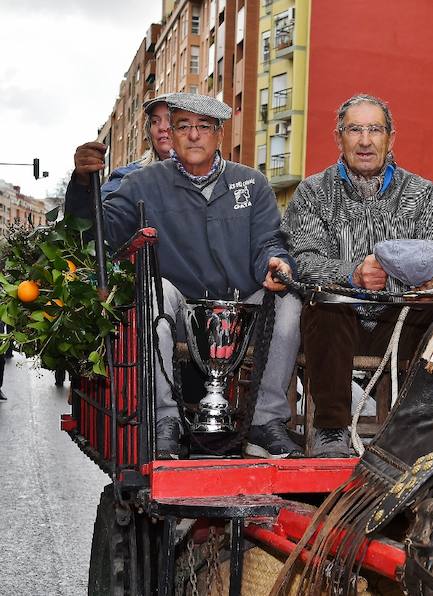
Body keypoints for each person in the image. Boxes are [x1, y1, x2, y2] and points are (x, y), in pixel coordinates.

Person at [65, 93, 303, 459]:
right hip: (179, 315)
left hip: (240, 312)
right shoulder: (143, 184)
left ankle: (265, 422)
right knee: (153, 290)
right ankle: (165, 420)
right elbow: (98, 234)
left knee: (287, 297)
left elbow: (270, 241)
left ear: (219, 134)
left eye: (203, 127)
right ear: (171, 135)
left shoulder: (251, 184)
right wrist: (82, 184)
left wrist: (275, 262)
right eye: (183, 126)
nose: (194, 136)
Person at [282, 93, 433, 458]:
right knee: (324, 302)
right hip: (334, 327)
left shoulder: (425, 196)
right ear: (339, 137)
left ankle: (413, 426)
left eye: (375, 130)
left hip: (398, 321)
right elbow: (304, 260)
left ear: (391, 138)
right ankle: (331, 429)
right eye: (355, 130)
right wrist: (353, 275)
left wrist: (432, 282)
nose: (365, 141)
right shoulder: (313, 193)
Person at [71, 93, 174, 200]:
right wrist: (82, 183)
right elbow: (99, 212)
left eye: (170, 119)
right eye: (155, 121)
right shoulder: (129, 176)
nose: (162, 127)